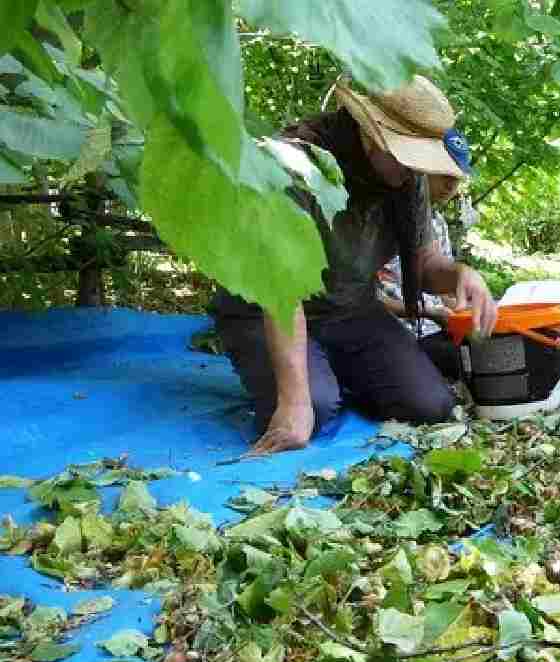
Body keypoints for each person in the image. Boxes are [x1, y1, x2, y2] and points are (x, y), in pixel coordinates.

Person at [211, 76, 498, 455]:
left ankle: (337, 372)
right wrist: (294, 403)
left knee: (429, 406)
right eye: (406, 155)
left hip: (349, 310)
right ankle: (318, 380)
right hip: (265, 307)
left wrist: (461, 273)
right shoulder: (297, 166)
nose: (414, 170)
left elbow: (424, 261)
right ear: (369, 135)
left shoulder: (406, 180)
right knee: (312, 408)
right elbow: (281, 290)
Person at [377, 174, 464, 380]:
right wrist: (428, 312)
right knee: (464, 359)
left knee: (490, 344)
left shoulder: (438, 223)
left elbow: (441, 290)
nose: (450, 185)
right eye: (444, 176)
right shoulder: (381, 219)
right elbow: (366, 298)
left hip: (437, 327)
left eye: (457, 179)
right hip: (401, 332)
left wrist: (465, 311)